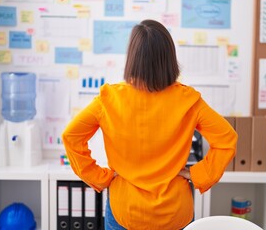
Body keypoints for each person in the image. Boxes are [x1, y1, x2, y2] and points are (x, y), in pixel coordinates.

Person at [62, 19, 237, 230]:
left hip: (125, 210)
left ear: (132, 58)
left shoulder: (109, 99)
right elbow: (227, 139)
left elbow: (71, 136)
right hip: (174, 212)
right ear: (169, 58)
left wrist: (99, 177)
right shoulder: (189, 100)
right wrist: (198, 174)